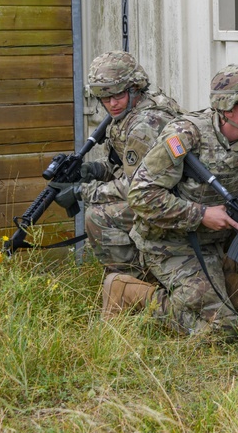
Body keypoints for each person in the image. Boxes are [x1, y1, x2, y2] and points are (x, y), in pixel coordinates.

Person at [120, 64, 238, 337]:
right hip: (170, 244)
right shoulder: (187, 137)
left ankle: (225, 285)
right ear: (229, 107)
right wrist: (201, 214)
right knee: (221, 329)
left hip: (214, 245)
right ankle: (127, 292)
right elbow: (141, 195)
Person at [69, 52, 182, 288]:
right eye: (104, 97)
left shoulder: (145, 124)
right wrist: (94, 170)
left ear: (134, 88)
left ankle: (133, 285)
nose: (112, 103)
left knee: (97, 217)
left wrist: (84, 191)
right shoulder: (129, 114)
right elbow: (120, 164)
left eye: (118, 95)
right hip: (160, 192)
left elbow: (137, 186)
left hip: (172, 199)